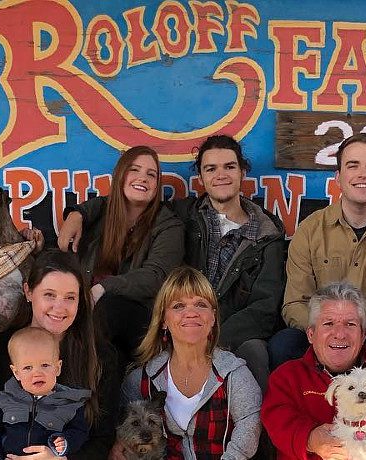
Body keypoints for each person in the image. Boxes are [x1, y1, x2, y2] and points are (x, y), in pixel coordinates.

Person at [62, 135, 286, 390]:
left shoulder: (267, 234)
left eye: (229, 167)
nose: (221, 175)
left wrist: (210, 335)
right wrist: (77, 213)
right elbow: (124, 202)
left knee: (255, 351)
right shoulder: (182, 214)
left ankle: (254, 428)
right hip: (174, 322)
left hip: (230, 331)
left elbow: (265, 307)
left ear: (243, 172)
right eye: (211, 168)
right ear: (200, 179)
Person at [270, 132, 366, 367]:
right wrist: (328, 331)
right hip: (323, 335)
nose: (363, 174)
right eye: (353, 166)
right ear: (338, 177)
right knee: (284, 344)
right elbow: (294, 304)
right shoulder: (310, 229)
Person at [0, 249, 120, 460]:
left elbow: (102, 439)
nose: (59, 307)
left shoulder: (100, 357)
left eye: (70, 297)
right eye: (49, 295)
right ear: (29, 292)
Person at [261, 281, 366, 460]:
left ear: (363, 335)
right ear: (311, 334)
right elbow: (276, 418)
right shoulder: (287, 377)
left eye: (350, 324)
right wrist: (310, 438)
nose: (340, 333)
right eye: (328, 323)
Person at [113, 266, 262, 459]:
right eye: (178, 306)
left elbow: (248, 433)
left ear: (213, 317)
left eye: (200, 304)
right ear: (164, 320)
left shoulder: (234, 374)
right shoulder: (143, 379)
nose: (191, 312)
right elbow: (120, 430)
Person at [58, 145, 185, 362]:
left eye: (151, 174)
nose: (143, 178)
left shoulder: (169, 225)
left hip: (141, 321)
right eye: (134, 170)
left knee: (109, 310)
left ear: (157, 185)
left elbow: (156, 276)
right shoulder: (96, 216)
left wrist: (103, 288)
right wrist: (77, 214)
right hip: (90, 319)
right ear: (120, 176)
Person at [0, 327, 90, 459]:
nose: (37, 373)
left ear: (58, 367)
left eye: (45, 365)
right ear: (16, 373)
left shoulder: (70, 402)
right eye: (28, 367)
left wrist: (66, 442)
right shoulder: (6, 399)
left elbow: (80, 431)